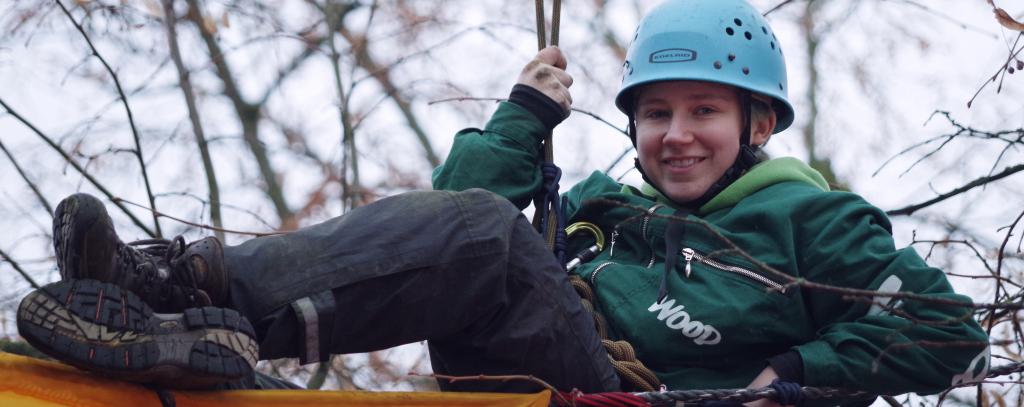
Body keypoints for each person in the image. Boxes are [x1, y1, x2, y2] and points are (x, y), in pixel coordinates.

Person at [17, 0, 988, 404]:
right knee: (475, 233)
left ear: (759, 125)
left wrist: (790, 369)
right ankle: (184, 310)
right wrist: (523, 117)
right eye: (655, 113)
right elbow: (443, 230)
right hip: (531, 360)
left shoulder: (813, 221)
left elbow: (945, 330)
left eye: (702, 111)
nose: (675, 134)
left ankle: (188, 291)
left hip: (631, 389)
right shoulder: (608, 205)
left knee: (486, 238)